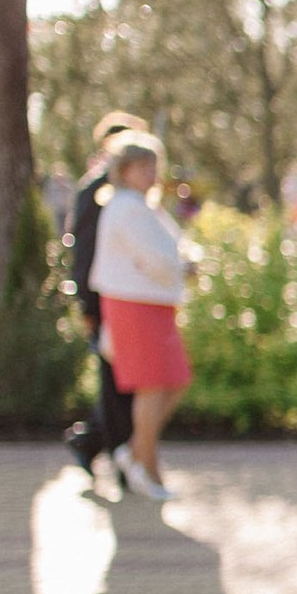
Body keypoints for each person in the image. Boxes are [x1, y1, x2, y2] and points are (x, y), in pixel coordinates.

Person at [89, 133, 191, 501]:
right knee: (153, 385)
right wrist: (182, 266)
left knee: (173, 380)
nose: (150, 173)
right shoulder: (126, 207)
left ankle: (134, 453)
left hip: (153, 304)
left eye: (153, 166)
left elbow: (172, 248)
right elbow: (158, 258)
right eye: (142, 166)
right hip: (136, 304)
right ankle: (146, 467)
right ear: (124, 170)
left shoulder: (142, 205)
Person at [63, 112, 150, 478]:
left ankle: (95, 442)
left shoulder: (131, 194)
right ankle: (113, 451)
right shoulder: (96, 191)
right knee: (116, 381)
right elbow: (84, 251)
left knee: (127, 382)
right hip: (107, 299)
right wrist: (87, 304)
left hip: (133, 298)